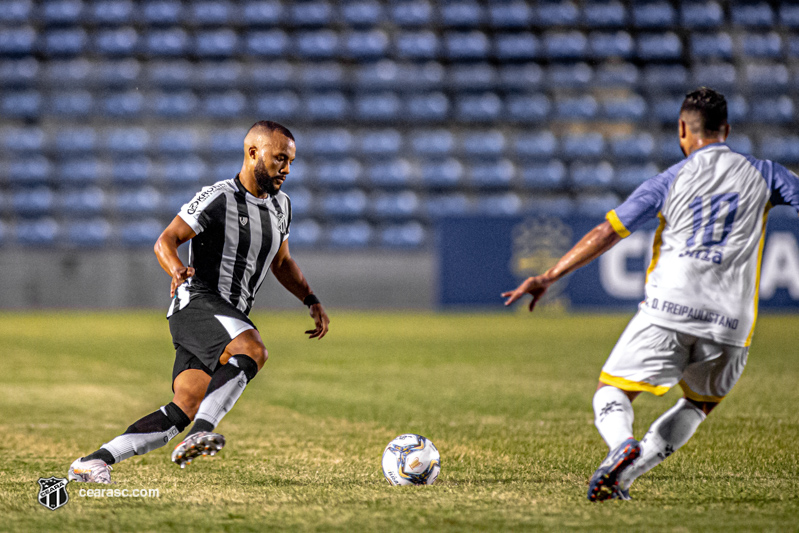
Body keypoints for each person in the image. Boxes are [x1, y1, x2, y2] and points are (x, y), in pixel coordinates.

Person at [502, 87, 799, 501]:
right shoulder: (767, 173)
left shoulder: (669, 180)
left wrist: (549, 275)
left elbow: (607, 232)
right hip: (732, 322)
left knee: (612, 390)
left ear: (682, 130)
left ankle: (621, 445)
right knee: (698, 405)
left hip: (670, 308)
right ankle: (621, 479)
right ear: (726, 130)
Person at [68, 120, 330, 483]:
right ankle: (200, 434)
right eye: (279, 159)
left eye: (291, 162)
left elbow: (282, 262)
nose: (286, 168)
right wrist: (176, 269)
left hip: (227, 317)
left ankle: (93, 461)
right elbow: (166, 240)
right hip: (196, 302)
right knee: (252, 349)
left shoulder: (282, 206)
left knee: (183, 406)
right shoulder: (218, 196)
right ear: (253, 153)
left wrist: (310, 298)